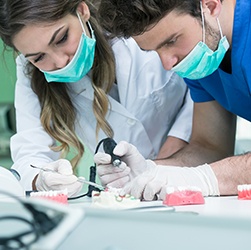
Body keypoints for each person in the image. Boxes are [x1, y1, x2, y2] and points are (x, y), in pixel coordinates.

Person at [0, 0, 193, 197]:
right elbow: (30, 154)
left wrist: (167, 157)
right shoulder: (31, 72)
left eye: (62, 38)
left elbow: (200, 91)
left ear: (82, 11)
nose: (60, 62)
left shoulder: (135, 23)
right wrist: (41, 179)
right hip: (131, 196)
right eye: (39, 57)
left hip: (195, 173)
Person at [93, 0, 251, 200]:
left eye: (171, 41)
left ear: (210, 6)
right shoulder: (203, 57)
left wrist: (203, 178)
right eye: (154, 51)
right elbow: (210, 147)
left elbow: (206, 171)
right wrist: (151, 170)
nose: (168, 64)